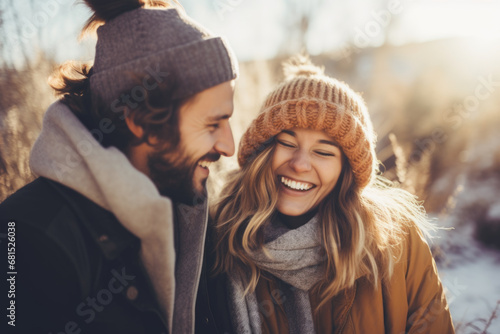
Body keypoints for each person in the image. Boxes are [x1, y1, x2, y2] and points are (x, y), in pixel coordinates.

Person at [0, 0, 238, 333]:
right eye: (212, 125)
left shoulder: (192, 214)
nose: (229, 147)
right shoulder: (24, 236)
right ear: (142, 122)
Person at [211, 56, 455, 333]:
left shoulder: (397, 243)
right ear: (261, 151)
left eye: (324, 152)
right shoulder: (217, 241)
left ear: (346, 170)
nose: (300, 164)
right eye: (287, 143)